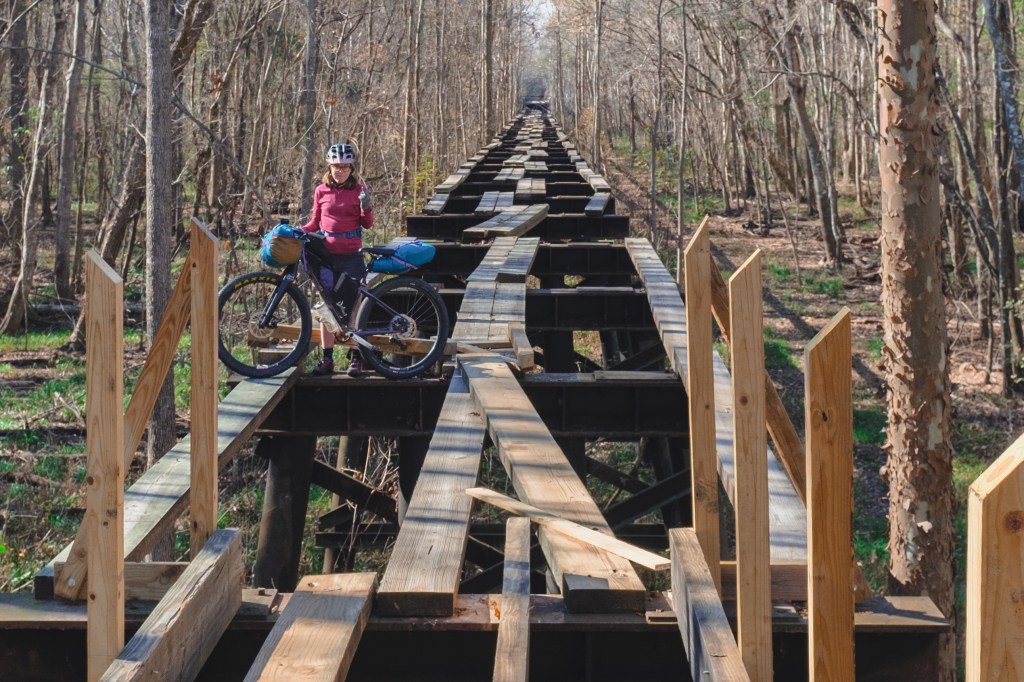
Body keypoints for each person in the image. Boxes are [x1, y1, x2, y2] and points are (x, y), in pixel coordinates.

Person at [300, 142, 374, 376]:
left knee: (354, 308)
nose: (340, 171)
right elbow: (314, 222)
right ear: (329, 167)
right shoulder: (321, 191)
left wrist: (366, 207)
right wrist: (298, 231)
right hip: (327, 255)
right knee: (327, 306)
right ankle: (327, 358)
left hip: (352, 255)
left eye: (344, 167)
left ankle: (355, 358)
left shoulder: (358, 190)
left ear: (351, 168)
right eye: (335, 166)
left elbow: (367, 224)